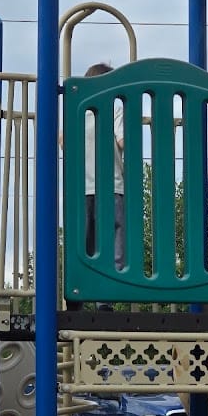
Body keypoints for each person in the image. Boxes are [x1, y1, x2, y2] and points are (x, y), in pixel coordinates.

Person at [84, 63, 125, 271]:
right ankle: (104, 296)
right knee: (112, 238)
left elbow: (64, 140)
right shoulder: (115, 111)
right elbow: (123, 140)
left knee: (86, 240)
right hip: (111, 186)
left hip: (85, 187)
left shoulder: (79, 113)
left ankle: (81, 292)